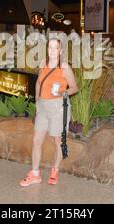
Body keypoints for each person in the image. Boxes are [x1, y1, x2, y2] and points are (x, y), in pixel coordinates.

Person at [19, 38, 78, 187]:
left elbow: (74, 88)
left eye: (55, 48)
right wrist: (38, 101)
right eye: (50, 48)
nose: (52, 51)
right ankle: (35, 174)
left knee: (58, 141)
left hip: (58, 108)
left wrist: (62, 92)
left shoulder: (64, 67)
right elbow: (39, 82)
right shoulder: (43, 64)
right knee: (36, 140)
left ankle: (55, 170)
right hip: (43, 108)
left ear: (60, 51)